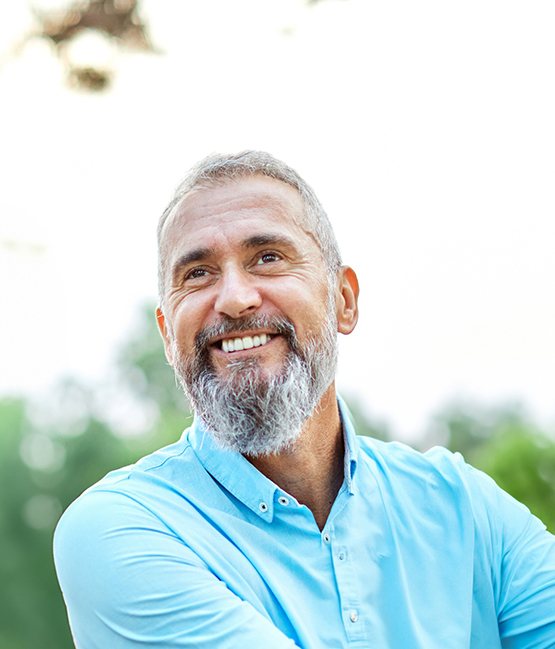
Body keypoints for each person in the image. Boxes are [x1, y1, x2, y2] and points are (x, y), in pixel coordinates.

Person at [54, 151, 555, 648]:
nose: (233, 298)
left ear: (344, 300)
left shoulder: (465, 507)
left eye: (268, 258)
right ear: (167, 336)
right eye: (198, 274)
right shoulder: (119, 531)